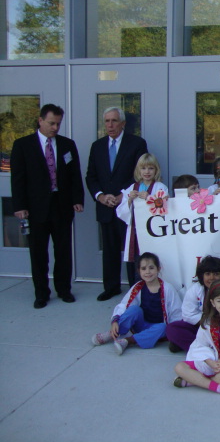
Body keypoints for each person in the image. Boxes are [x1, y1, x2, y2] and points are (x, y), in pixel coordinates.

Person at [10, 104, 84, 308]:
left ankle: (64, 289)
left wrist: (78, 199)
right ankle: (41, 292)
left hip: (61, 205)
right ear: (40, 120)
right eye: (51, 123)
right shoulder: (23, 145)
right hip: (36, 208)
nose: (55, 127)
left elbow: (74, 175)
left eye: (58, 124)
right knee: (38, 252)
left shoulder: (67, 145)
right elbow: (18, 178)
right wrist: (20, 206)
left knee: (63, 251)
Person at [86, 107, 148, 301]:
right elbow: (91, 176)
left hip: (127, 205)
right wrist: (100, 196)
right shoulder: (97, 146)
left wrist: (123, 195)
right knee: (110, 249)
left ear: (122, 123)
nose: (110, 125)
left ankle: (134, 287)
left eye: (114, 121)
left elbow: (141, 174)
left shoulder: (137, 144)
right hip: (105, 206)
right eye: (107, 121)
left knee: (131, 249)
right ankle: (111, 287)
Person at [91, 252, 181, 355]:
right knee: (134, 309)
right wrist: (115, 320)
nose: (147, 272)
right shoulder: (138, 287)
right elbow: (124, 304)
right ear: (139, 271)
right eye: (143, 269)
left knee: (163, 327)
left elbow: (176, 311)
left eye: (151, 268)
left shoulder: (168, 289)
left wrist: (175, 333)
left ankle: (128, 341)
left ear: (158, 269)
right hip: (141, 324)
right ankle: (113, 333)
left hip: (156, 329)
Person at [116, 153, 168, 287]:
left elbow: (165, 209)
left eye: (151, 168)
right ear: (138, 170)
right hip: (136, 234)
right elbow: (120, 212)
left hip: (154, 233)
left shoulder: (160, 187)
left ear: (156, 170)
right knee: (137, 262)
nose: (147, 172)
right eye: (143, 168)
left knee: (153, 260)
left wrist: (150, 198)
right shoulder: (132, 188)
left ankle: (155, 289)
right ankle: (136, 290)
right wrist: (129, 200)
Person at [166, 256, 220, 352]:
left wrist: (217, 325)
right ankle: (205, 350)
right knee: (172, 329)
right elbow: (187, 314)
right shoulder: (195, 289)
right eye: (208, 274)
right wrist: (208, 323)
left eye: (216, 274)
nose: (212, 278)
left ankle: (195, 347)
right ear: (201, 276)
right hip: (201, 326)